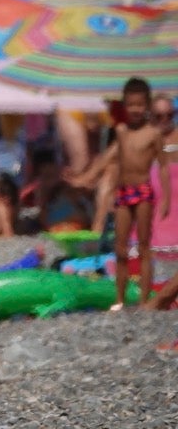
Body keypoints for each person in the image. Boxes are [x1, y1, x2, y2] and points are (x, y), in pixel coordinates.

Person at [70, 77, 171, 305]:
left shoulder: (153, 133)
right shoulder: (121, 131)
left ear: (148, 106)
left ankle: (145, 299)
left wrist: (166, 199)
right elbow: (107, 157)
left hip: (144, 191)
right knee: (121, 248)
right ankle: (119, 299)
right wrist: (86, 177)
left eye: (140, 105)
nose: (135, 109)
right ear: (124, 105)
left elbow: (164, 167)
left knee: (144, 247)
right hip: (124, 192)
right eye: (131, 105)